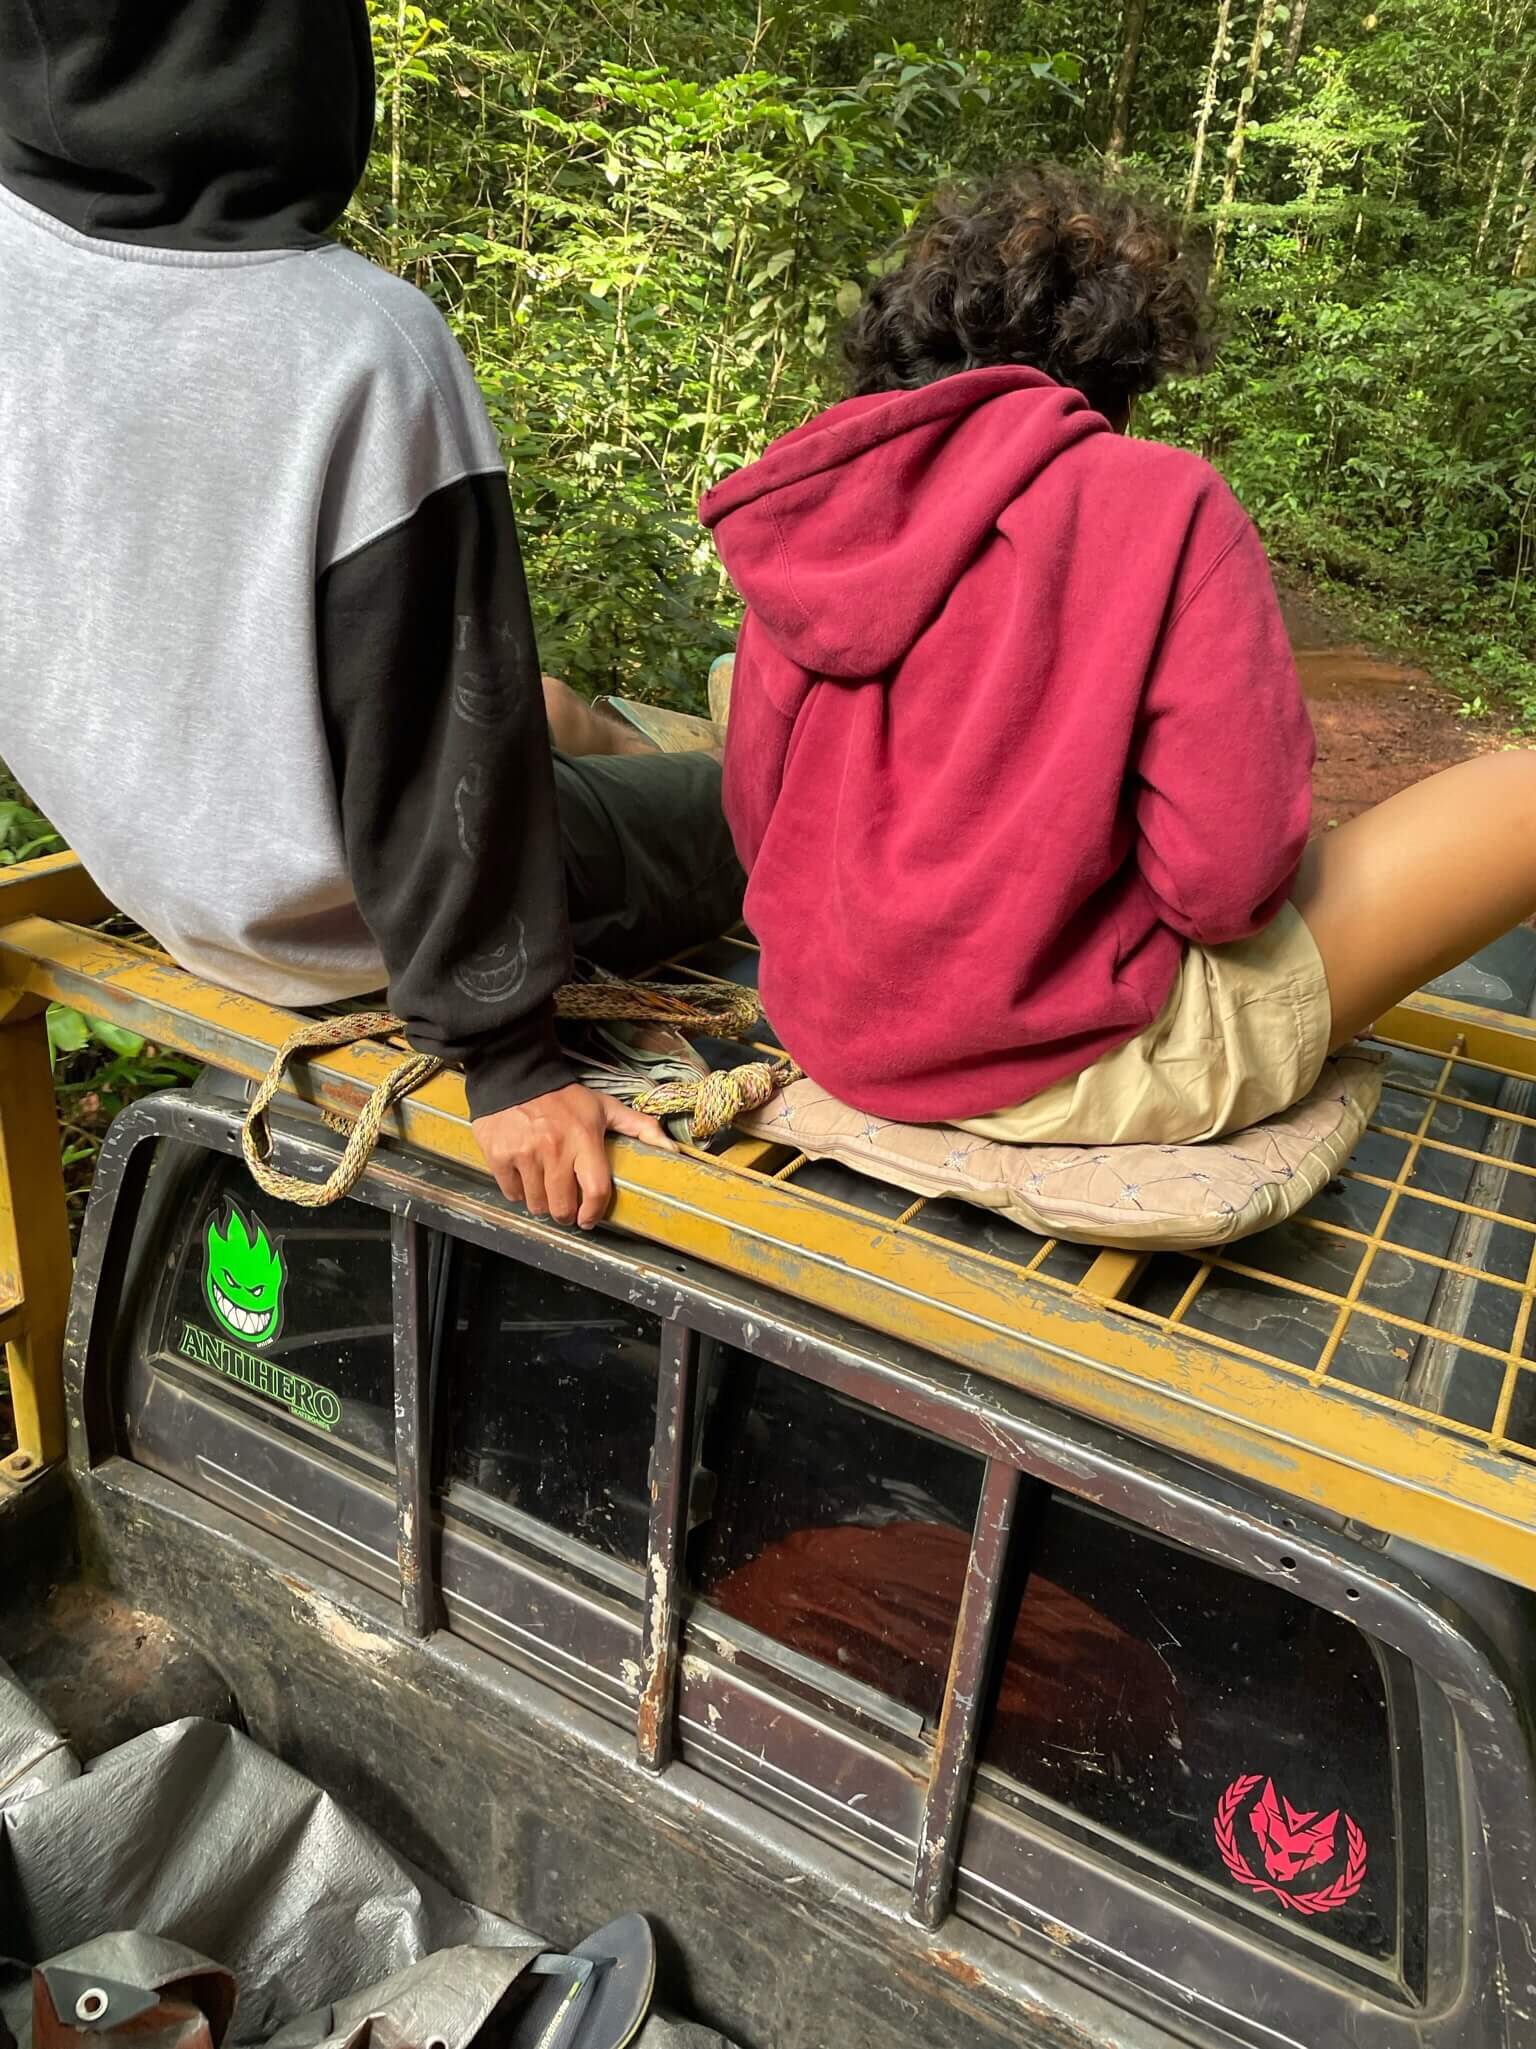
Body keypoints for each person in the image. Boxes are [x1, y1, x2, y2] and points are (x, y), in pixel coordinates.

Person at [0, 0, 740, 1230]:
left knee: (552, 711)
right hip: (337, 926)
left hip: (168, 869)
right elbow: (437, 737)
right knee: (739, 807)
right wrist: (508, 1059)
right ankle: (705, 772)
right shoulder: (362, 345)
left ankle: (624, 745)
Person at [701, 166, 1536, 1147]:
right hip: (1062, 1069)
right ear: (1123, 367)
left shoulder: (812, 496)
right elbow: (1223, 892)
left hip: (829, 1027)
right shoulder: (1163, 502)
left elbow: (760, 830)